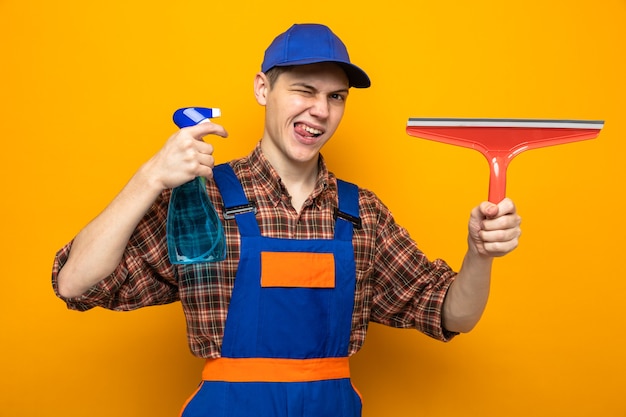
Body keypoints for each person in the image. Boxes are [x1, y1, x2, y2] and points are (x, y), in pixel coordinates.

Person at [52, 23, 521, 417]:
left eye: (336, 96)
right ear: (263, 88)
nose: (321, 110)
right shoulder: (203, 198)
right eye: (304, 89)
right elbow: (74, 282)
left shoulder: (362, 214)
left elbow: (451, 313)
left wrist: (480, 254)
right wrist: (150, 177)